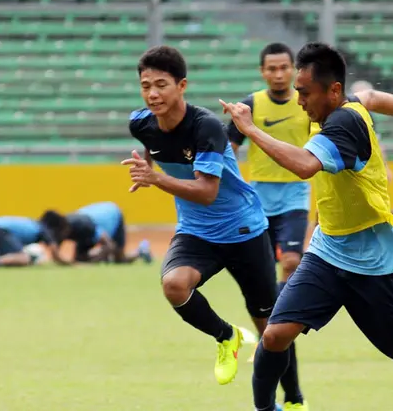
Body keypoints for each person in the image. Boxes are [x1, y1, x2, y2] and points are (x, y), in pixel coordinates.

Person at [222, 42, 393, 411]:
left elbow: (305, 165)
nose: (298, 100)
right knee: (275, 335)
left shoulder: (345, 122)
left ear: (333, 90)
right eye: (297, 91)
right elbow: (371, 96)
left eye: (304, 93)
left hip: (375, 264)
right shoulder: (339, 104)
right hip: (328, 252)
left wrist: (251, 129)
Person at [123, 45, 306, 409]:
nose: (153, 94)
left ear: (182, 86)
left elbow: (207, 191)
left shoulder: (205, 126)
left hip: (244, 231)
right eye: (146, 86)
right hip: (196, 231)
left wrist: (155, 179)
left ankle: (294, 399)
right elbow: (152, 147)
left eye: (161, 85)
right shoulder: (140, 122)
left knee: (272, 330)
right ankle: (226, 337)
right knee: (174, 285)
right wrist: (145, 168)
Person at [227, 43, 310, 291]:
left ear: (294, 69)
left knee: (291, 260)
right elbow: (229, 146)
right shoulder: (250, 104)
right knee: (260, 264)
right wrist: (233, 184)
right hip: (259, 195)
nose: (278, 74)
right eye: (272, 69)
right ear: (262, 71)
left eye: (284, 68)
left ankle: (281, 311)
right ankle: (271, 311)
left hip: (296, 192)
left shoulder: (305, 103)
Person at [66, 201, 152, 264]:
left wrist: (100, 257)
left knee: (119, 259)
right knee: (81, 258)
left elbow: (109, 244)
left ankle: (140, 251)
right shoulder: (72, 224)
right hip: (98, 219)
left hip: (114, 216)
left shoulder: (86, 225)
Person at [0, 211, 70, 268]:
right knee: (23, 258)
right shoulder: (42, 228)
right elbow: (54, 252)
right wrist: (67, 263)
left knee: (12, 254)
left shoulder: (31, 223)